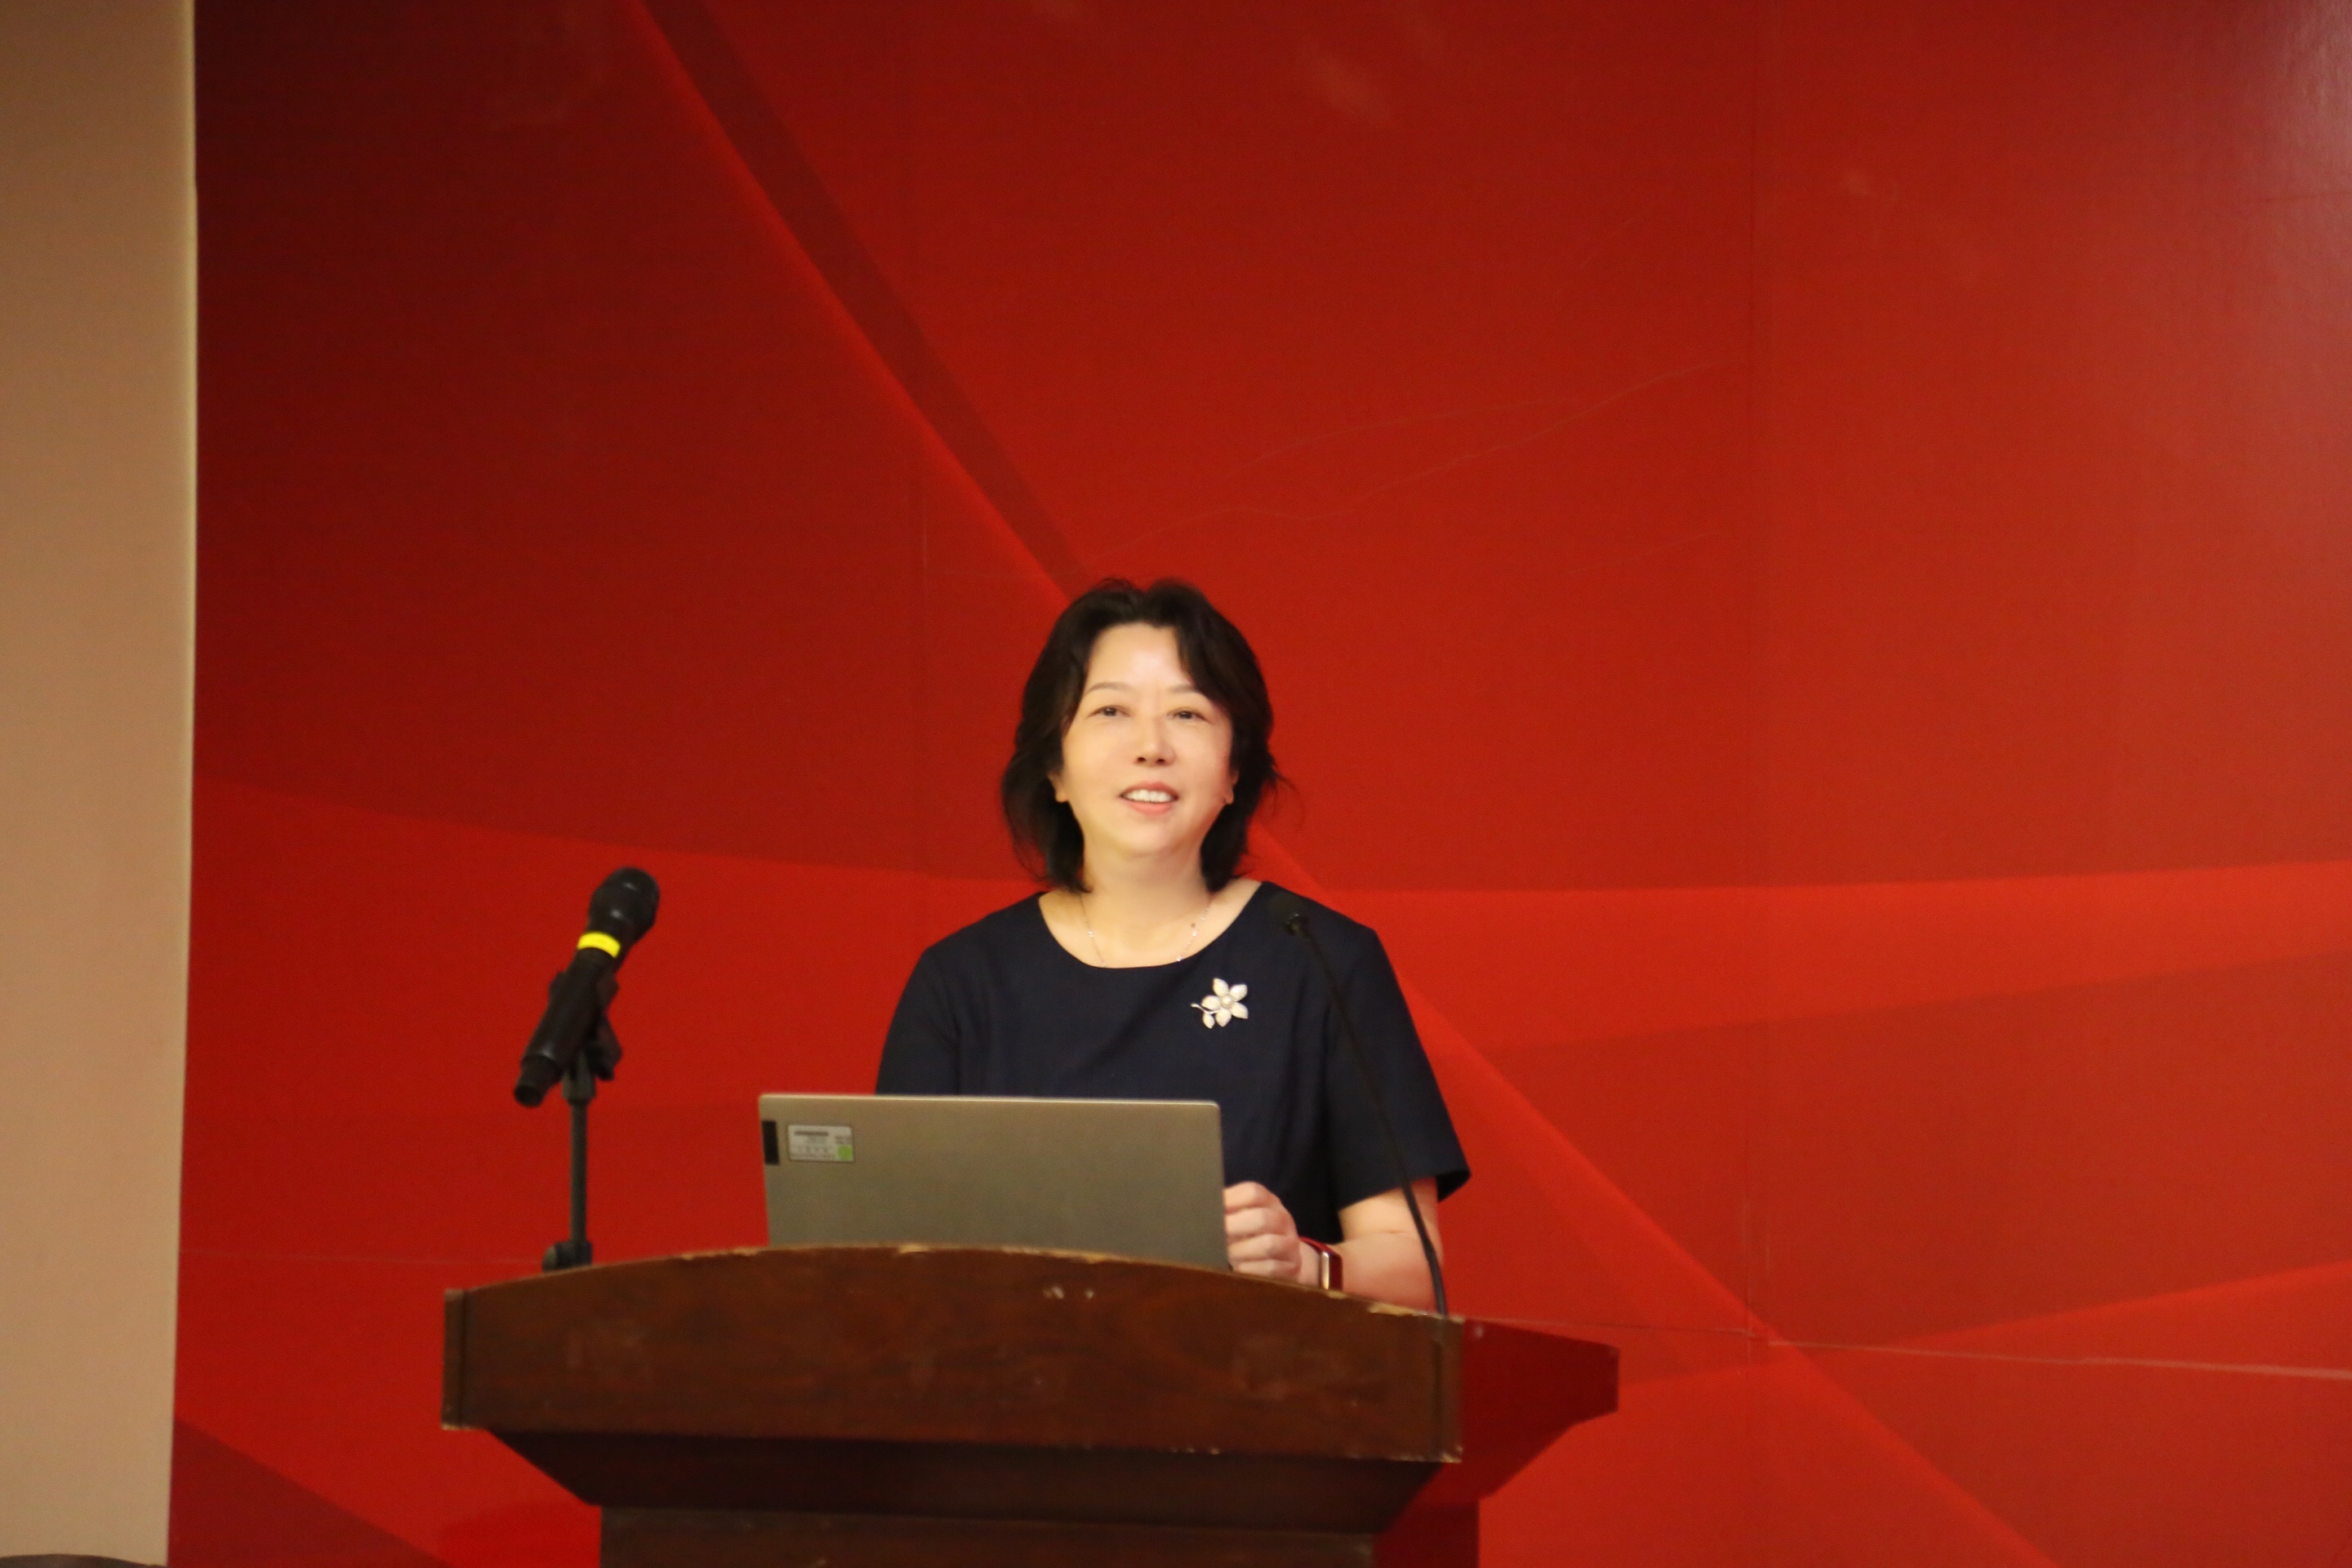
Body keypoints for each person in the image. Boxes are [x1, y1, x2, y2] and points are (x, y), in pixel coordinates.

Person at [876, 578, 1468, 1308]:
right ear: (1055, 769)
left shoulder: (1318, 959)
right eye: (1111, 711)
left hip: (1259, 1374)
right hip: (1015, 1376)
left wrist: (1303, 1264)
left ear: (1233, 770)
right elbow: (891, 1263)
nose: (1151, 748)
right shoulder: (963, 982)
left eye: (1187, 714)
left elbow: (1416, 1269)